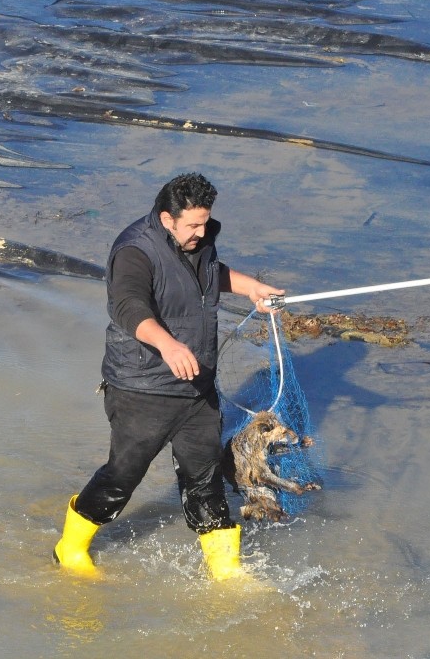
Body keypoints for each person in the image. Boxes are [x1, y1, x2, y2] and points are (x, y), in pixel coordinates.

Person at [53, 172, 283, 580]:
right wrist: (169, 345)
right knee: (123, 473)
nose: (201, 231)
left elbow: (210, 274)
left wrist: (252, 288)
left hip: (197, 388)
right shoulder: (133, 252)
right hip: (143, 387)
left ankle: (226, 571)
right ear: (165, 218)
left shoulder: (199, 238)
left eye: (205, 222)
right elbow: (128, 306)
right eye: (192, 225)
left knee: (206, 475)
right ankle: (69, 548)